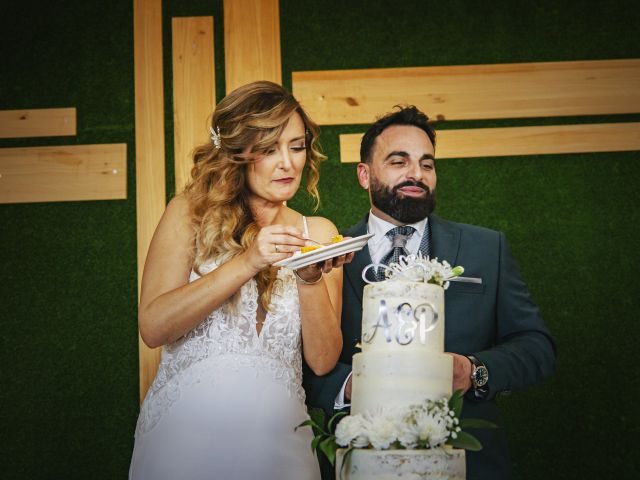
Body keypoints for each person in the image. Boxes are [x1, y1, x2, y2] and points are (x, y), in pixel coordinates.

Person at [303, 106, 556, 480]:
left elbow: (537, 346)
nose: (415, 174)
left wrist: (473, 372)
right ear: (364, 174)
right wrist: (347, 386)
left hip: (470, 465)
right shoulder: (327, 257)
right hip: (358, 460)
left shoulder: (487, 248)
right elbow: (295, 363)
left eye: (427, 164)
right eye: (398, 161)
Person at [129, 81, 352, 480]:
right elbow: (153, 326)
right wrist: (249, 260)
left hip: (281, 443)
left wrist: (309, 278)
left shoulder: (317, 231)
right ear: (236, 154)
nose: (288, 163)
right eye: (269, 149)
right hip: (186, 437)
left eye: (297, 146)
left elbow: (322, 361)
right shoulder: (188, 215)